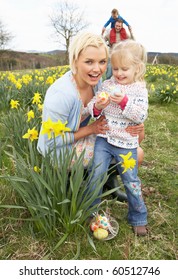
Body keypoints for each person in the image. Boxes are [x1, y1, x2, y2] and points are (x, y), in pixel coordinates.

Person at [37, 32, 144, 203]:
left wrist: (134, 124)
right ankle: (70, 186)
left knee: (135, 145)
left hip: (82, 136)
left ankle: (108, 181)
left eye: (102, 62)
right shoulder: (61, 94)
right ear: (75, 61)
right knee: (130, 154)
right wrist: (90, 129)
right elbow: (51, 140)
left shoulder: (96, 82)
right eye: (89, 62)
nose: (97, 69)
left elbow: (110, 109)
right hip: (57, 150)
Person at [87, 39, 149, 236]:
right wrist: (98, 107)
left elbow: (140, 116)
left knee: (131, 180)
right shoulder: (106, 85)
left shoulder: (139, 90)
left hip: (126, 144)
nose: (119, 73)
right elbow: (92, 108)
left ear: (137, 68)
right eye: (115, 69)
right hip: (104, 140)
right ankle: (93, 212)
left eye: (124, 69)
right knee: (96, 175)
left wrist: (124, 102)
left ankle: (138, 217)